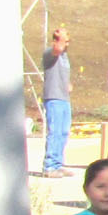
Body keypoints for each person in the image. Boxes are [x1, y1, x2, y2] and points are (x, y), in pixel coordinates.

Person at [40, 26, 74, 178]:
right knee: (54, 132)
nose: (67, 42)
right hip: (53, 98)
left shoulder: (64, 57)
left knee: (63, 132)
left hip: (64, 98)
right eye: (64, 39)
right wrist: (60, 37)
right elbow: (57, 49)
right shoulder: (50, 53)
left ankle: (58, 164)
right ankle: (49, 166)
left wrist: (67, 84)